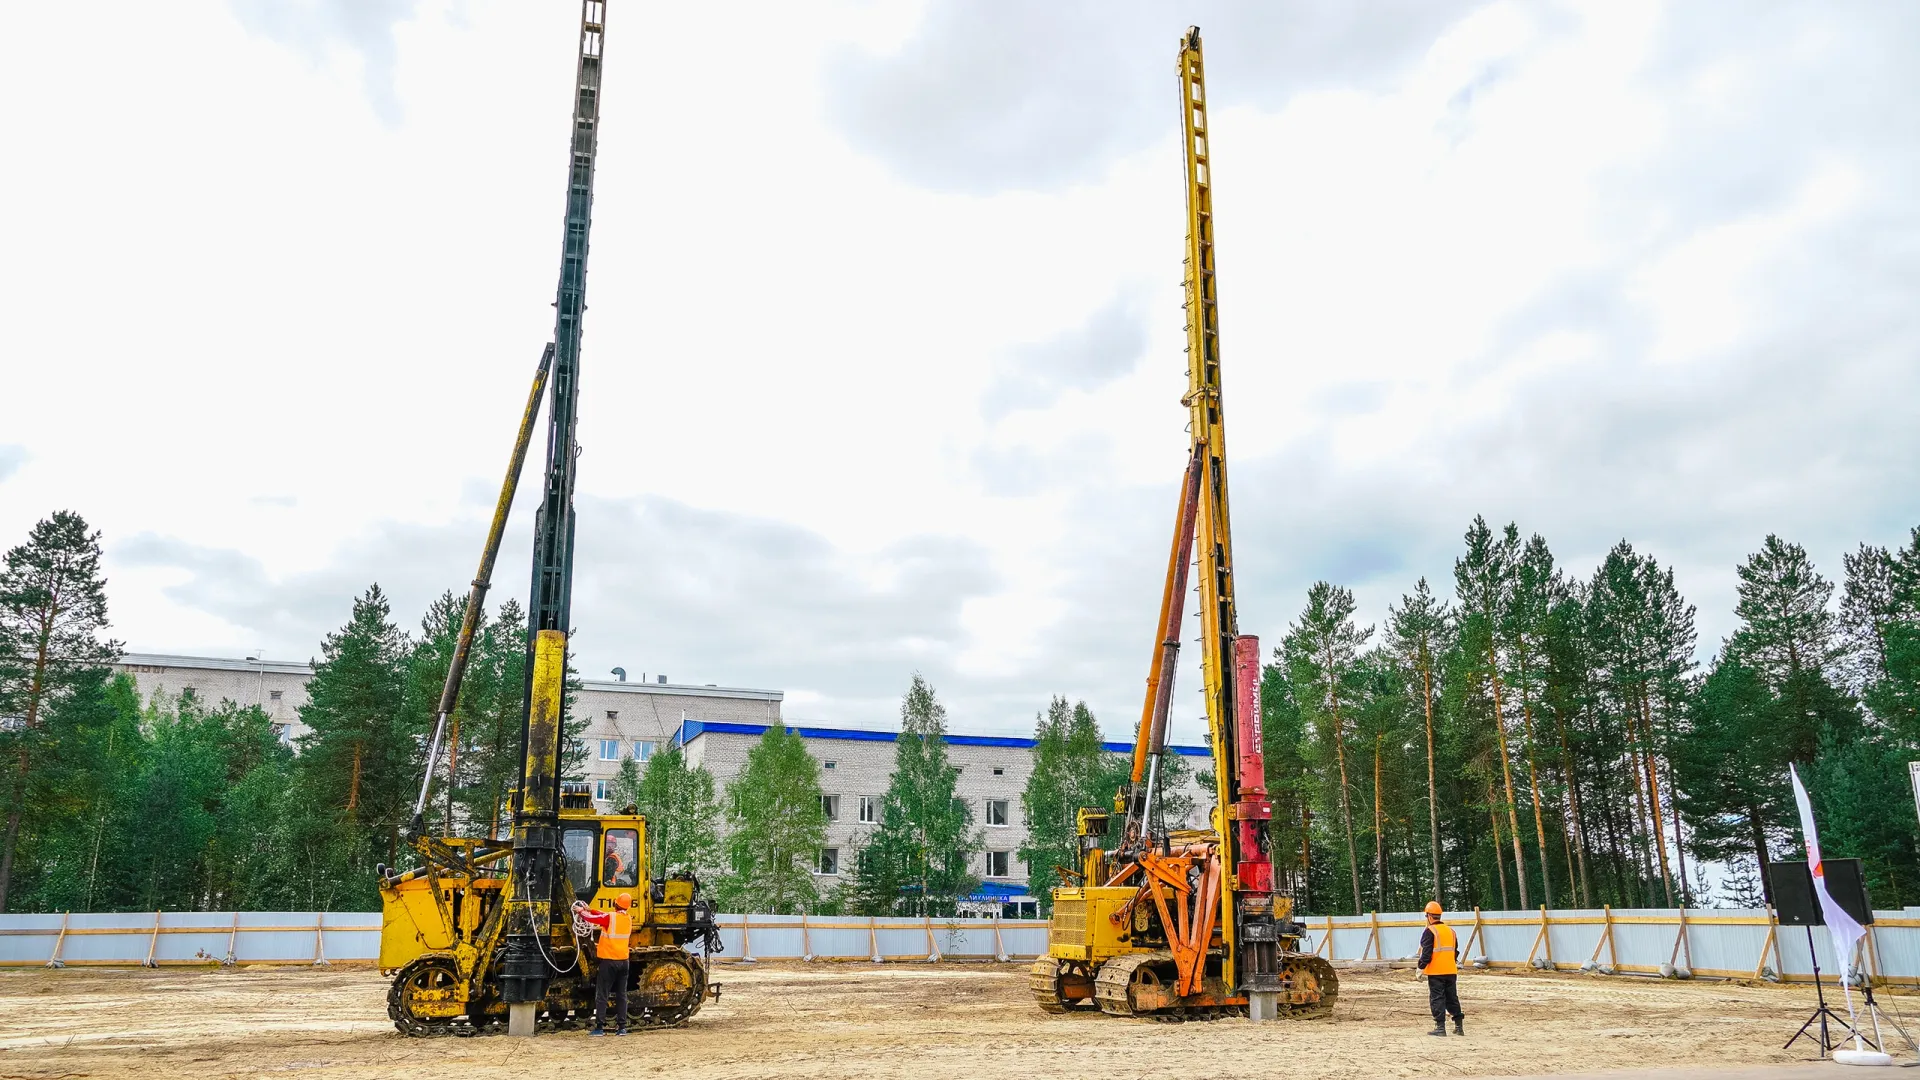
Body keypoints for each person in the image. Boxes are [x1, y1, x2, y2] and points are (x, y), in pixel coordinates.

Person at [574, 894, 634, 1035]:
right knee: (621, 995)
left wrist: (581, 911)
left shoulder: (610, 918)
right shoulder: (627, 919)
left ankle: (599, 1027)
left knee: (602, 994)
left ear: (615, 904)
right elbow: (602, 915)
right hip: (624, 962)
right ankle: (622, 1028)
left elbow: (593, 919)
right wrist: (590, 909)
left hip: (609, 962)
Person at [1417, 900, 1463, 1036]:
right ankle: (1459, 1026)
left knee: (1437, 998)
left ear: (1429, 916)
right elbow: (1455, 952)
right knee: (1452, 998)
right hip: (1451, 971)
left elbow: (1426, 954)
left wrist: (1420, 968)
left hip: (1436, 972)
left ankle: (1440, 1027)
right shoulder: (1451, 931)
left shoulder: (1430, 931)